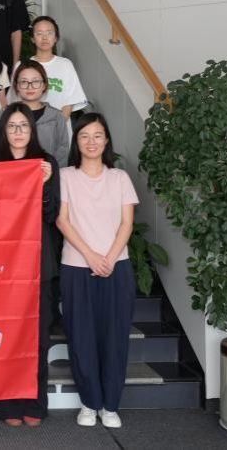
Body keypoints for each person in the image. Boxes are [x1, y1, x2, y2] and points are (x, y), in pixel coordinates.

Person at [58, 113, 137, 430]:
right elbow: (62, 220)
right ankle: (90, 403)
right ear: (76, 141)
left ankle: (111, 405)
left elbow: (127, 223)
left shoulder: (119, 178)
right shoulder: (65, 176)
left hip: (117, 268)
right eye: (84, 136)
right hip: (77, 267)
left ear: (106, 141)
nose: (91, 142)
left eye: (97, 135)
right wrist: (91, 256)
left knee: (115, 338)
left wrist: (109, 258)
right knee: (81, 338)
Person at [0, 103, 60, 428]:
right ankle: (7, 403)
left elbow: (52, 214)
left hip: (38, 264)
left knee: (38, 339)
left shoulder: (46, 163)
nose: (18, 132)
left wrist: (45, 184)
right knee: (6, 336)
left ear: (32, 130)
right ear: (4, 131)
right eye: (12, 126)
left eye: (24, 125)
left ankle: (35, 402)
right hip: (3, 267)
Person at [23, 15, 89, 123]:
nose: (44, 38)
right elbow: (17, 101)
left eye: (49, 33)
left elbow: (69, 102)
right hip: (30, 127)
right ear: (32, 38)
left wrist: (57, 126)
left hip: (60, 127)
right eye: (39, 33)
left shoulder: (65, 65)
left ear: (56, 38)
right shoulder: (23, 66)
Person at [12, 59, 70, 166]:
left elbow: (63, 149)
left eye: (35, 82)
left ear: (44, 85)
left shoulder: (56, 116)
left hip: (48, 174)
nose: (30, 87)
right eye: (24, 82)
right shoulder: (8, 114)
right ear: (17, 86)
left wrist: (52, 171)